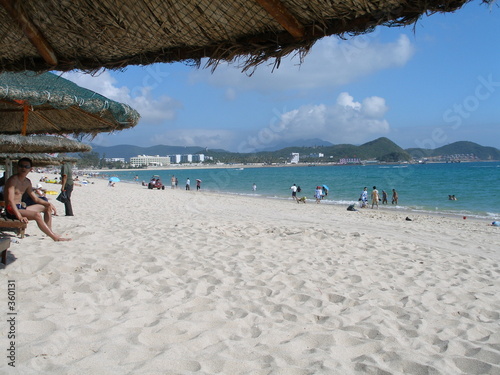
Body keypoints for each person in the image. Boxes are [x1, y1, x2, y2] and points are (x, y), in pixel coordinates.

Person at [5, 158, 70, 241]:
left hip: (21, 207)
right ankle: (54, 238)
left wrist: (48, 204)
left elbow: (35, 198)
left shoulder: (27, 182)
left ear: (30, 169)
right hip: (12, 210)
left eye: (26, 166)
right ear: (17, 167)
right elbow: (10, 200)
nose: (23, 168)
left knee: (46, 208)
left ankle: (50, 231)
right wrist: (19, 216)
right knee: (37, 215)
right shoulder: (12, 180)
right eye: (21, 166)